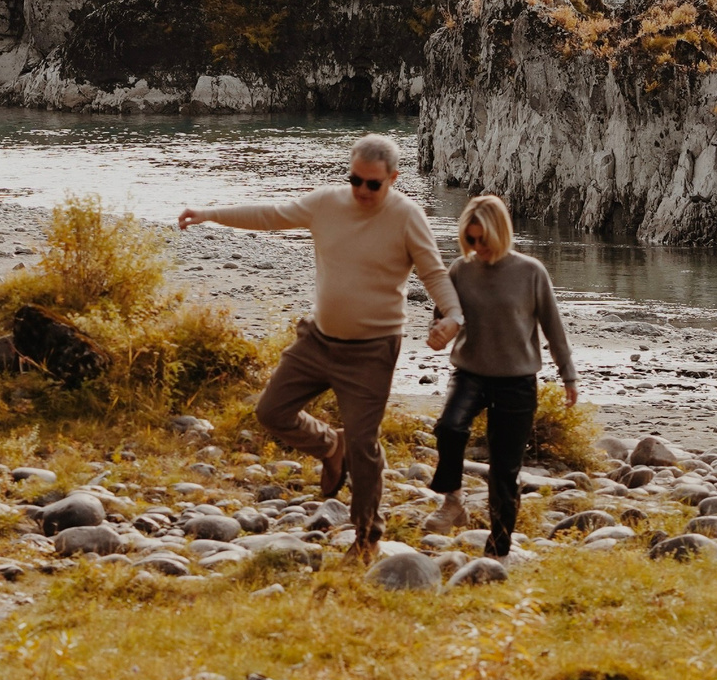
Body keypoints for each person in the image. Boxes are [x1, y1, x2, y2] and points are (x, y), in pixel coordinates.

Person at [178, 133, 461, 559]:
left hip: (373, 350)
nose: (362, 190)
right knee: (271, 411)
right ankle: (330, 445)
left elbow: (434, 274)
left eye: (373, 184)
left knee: (364, 446)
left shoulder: (407, 217)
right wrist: (209, 214)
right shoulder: (327, 203)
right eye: (355, 180)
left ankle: (366, 538)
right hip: (318, 340)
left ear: (393, 179)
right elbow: (271, 214)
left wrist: (453, 316)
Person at [424, 193, 576, 558]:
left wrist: (568, 376)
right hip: (470, 373)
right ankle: (453, 500)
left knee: (504, 472)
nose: (478, 247)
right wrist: (437, 334)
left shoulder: (531, 272)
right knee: (449, 427)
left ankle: (498, 551)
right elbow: (441, 321)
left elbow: (554, 329)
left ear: (501, 232)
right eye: (470, 240)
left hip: (517, 381)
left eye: (484, 240)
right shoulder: (460, 270)